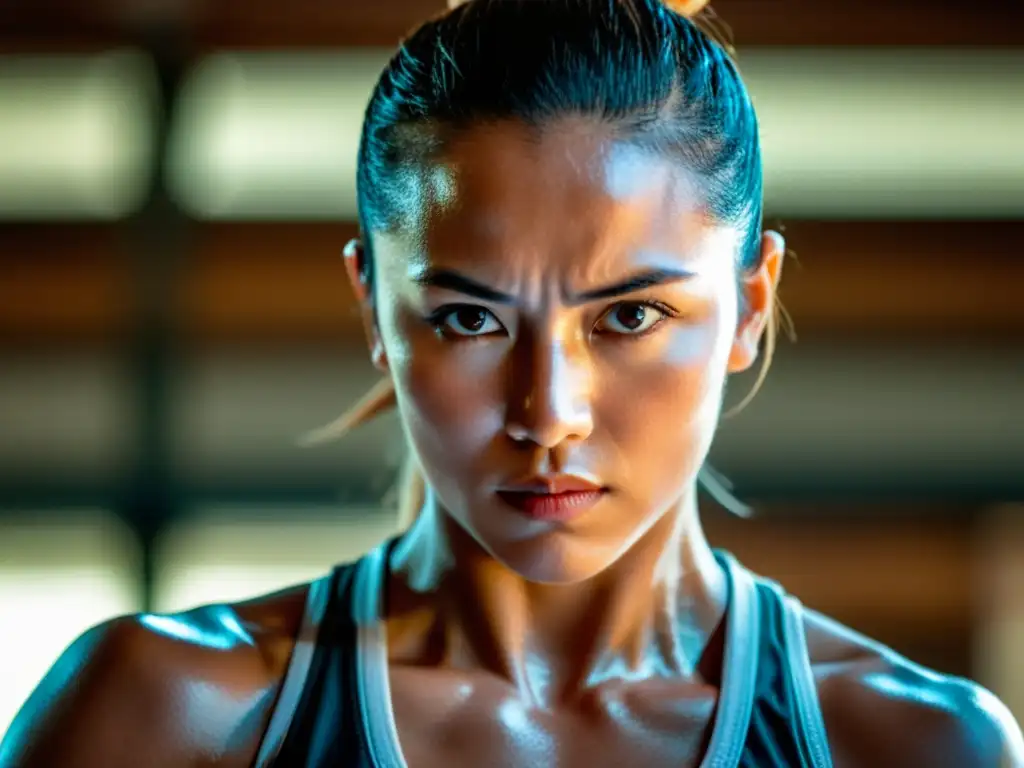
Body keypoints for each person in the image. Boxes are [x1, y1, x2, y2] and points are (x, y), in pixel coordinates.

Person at [3, 0, 1023, 765]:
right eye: (469, 318)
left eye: (628, 316)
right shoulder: (161, 715)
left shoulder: (909, 745)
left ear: (751, 304)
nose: (549, 414)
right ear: (372, 308)